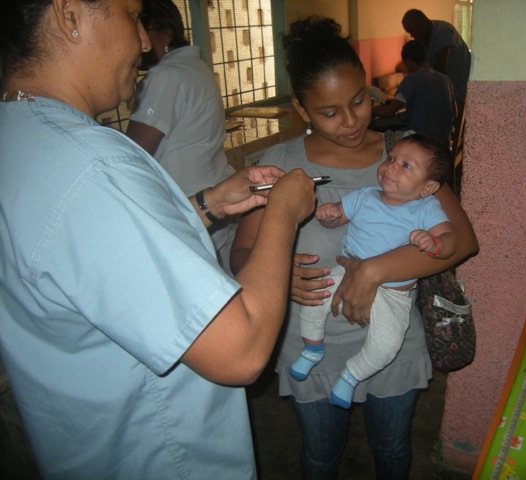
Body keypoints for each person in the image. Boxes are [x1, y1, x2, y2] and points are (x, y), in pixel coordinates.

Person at [0, 1, 316, 478]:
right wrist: (285, 212)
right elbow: (241, 348)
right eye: (131, 15)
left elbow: (88, 261)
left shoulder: (22, 137)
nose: (145, 42)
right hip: (158, 456)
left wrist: (206, 205)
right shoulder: (95, 166)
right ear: (70, 17)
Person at [231, 15, 478, 479]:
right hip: (314, 346)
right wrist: (278, 278)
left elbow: (462, 239)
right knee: (320, 455)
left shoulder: (404, 155)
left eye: (360, 100)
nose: (350, 121)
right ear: (302, 110)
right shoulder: (279, 165)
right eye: (329, 112)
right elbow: (241, 254)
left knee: (391, 448)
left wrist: (373, 270)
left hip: (394, 344)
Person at [290, 133, 457, 410]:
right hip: (348, 270)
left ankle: (351, 375)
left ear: (427, 187)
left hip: (394, 292)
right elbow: (339, 218)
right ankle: (312, 348)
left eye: (406, 166)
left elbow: (452, 240)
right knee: (314, 299)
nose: (391, 166)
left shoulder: (427, 208)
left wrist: (436, 243)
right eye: (391, 159)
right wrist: (330, 215)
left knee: (387, 344)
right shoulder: (365, 196)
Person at [126, 0, 237, 273]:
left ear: (165, 34)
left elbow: (135, 153)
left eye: (143, 28)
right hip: (212, 199)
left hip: (191, 208)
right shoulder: (197, 68)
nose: (137, 41)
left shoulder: (166, 75)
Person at [372, 40, 457, 145]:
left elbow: (389, 112)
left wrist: (372, 110)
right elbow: (454, 112)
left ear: (408, 62)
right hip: (443, 143)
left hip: (421, 143)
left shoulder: (411, 80)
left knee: (380, 136)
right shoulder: (445, 79)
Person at [402, 9, 471, 112]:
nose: (412, 36)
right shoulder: (422, 40)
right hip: (446, 85)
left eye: (412, 30)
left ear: (421, 22)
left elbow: (439, 69)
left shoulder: (443, 32)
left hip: (459, 79)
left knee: (457, 109)